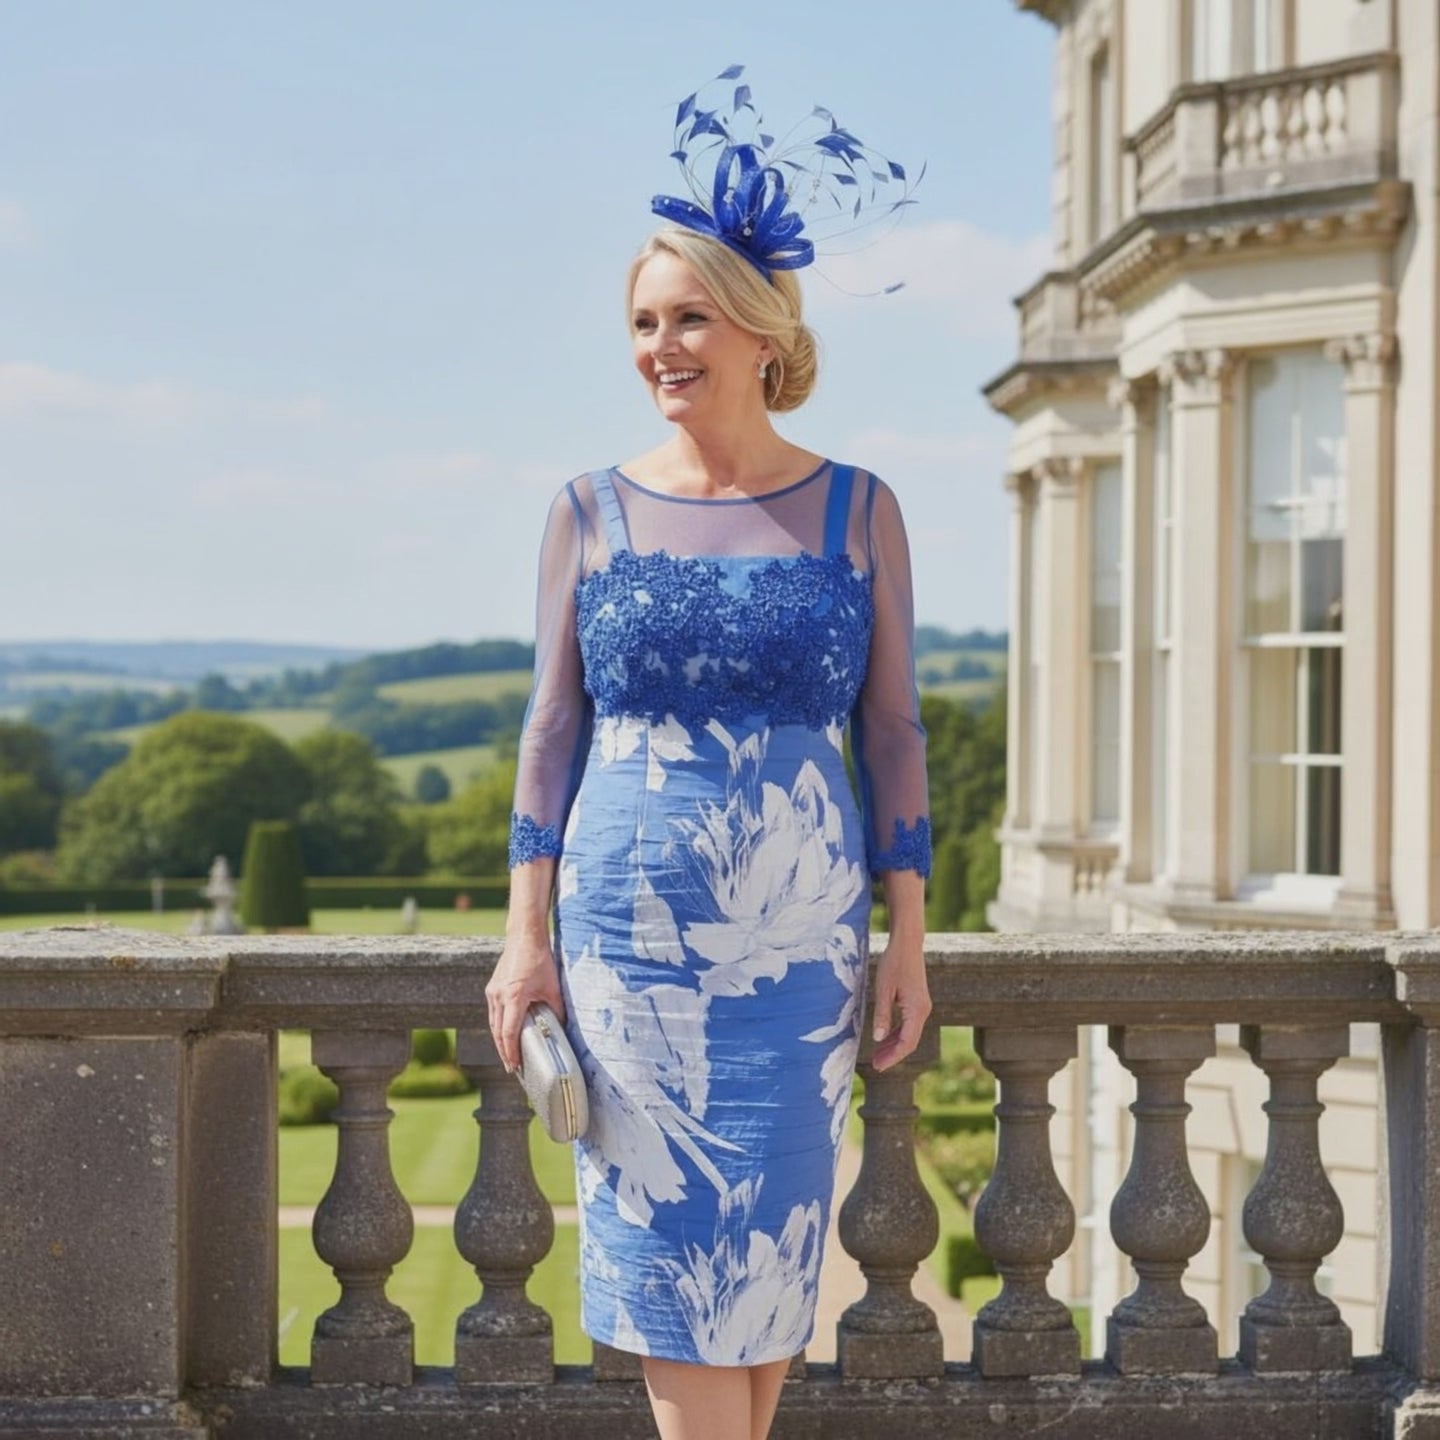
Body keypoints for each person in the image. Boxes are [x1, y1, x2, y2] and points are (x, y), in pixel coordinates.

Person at [486, 71, 931, 1440]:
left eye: (688, 317)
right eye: (643, 322)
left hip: (799, 956)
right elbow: (552, 732)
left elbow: (896, 734)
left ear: (758, 331)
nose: (660, 345)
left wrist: (908, 940)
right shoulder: (586, 510)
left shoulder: (863, 509)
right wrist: (524, 938)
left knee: (767, 1273)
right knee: (674, 1279)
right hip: (629, 945)